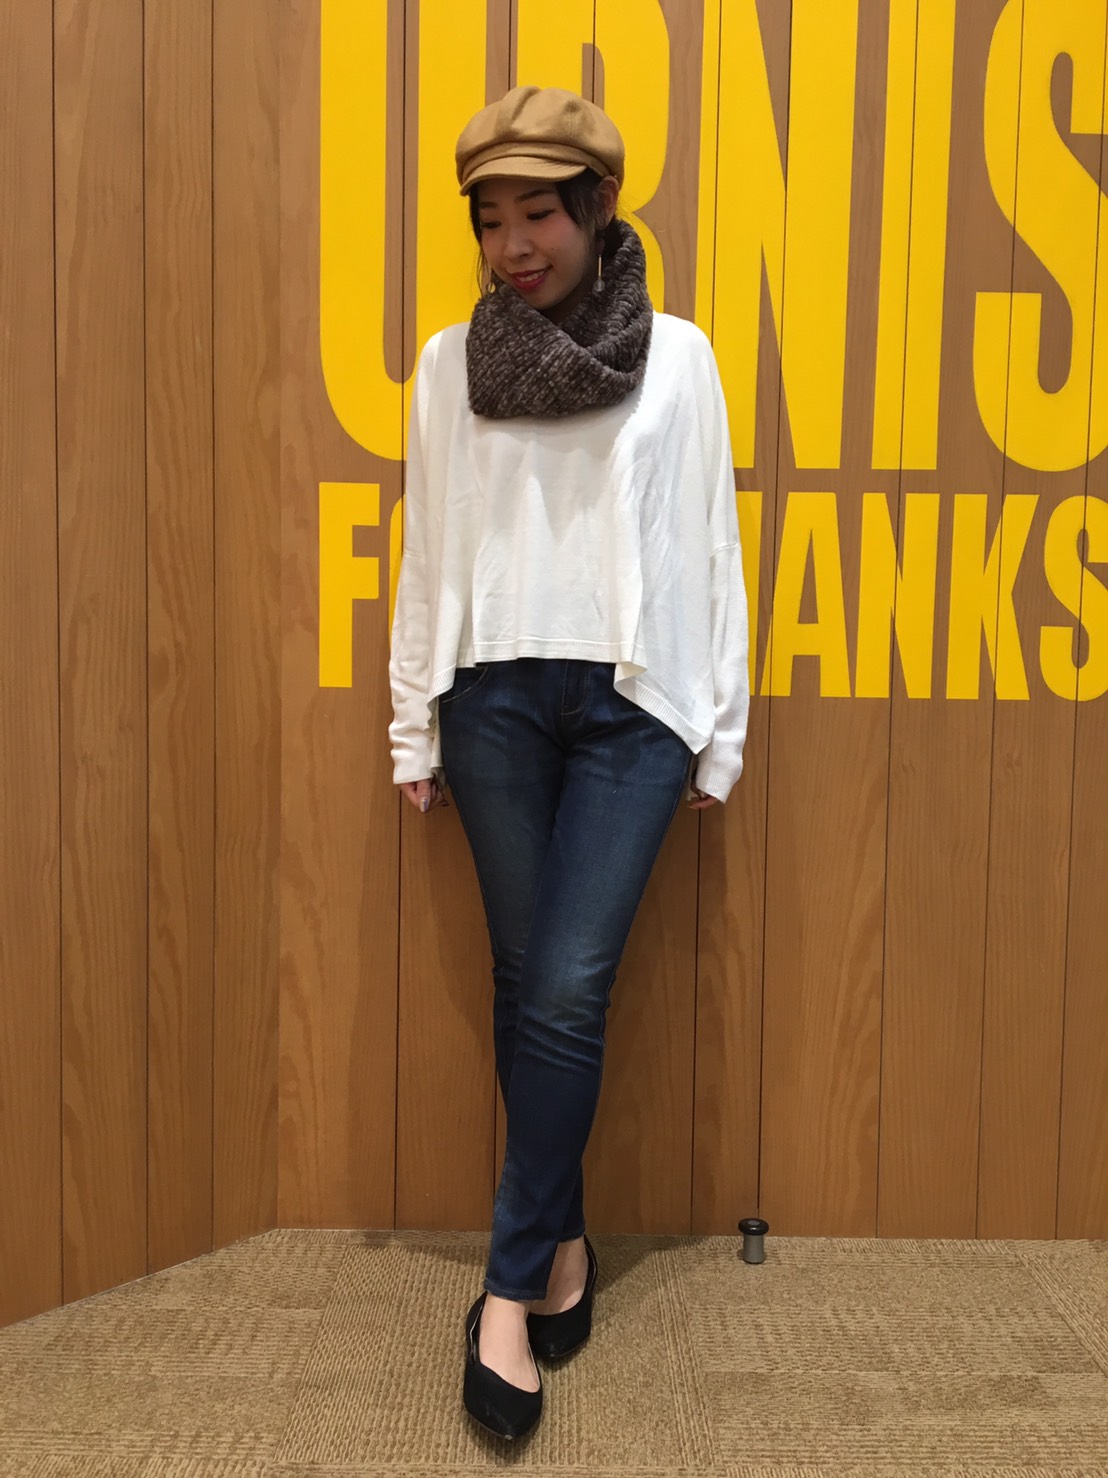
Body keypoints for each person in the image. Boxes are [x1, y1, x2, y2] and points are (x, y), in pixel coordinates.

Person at [388, 84, 749, 1441]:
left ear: (596, 209)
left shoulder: (680, 359)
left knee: (566, 987)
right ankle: (566, 1244)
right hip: (491, 697)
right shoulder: (447, 365)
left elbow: (710, 541)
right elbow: (428, 544)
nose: (512, 245)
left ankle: (503, 1290)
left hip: (631, 706)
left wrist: (720, 727)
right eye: (490, 219)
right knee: (529, 982)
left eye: (536, 212)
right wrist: (413, 716)